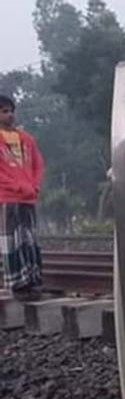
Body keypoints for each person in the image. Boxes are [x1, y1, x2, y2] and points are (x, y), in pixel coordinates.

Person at [0, 94, 44, 300]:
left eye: (11, 111)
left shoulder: (26, 140)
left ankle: (33, 280)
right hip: (6, 197)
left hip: (27, 197)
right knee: (11, 240)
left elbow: (38, 164)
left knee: (29, 239)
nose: (9, 115)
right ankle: (17, 283)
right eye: (4, 111)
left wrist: (34, 185)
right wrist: (16, 185)